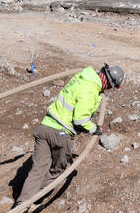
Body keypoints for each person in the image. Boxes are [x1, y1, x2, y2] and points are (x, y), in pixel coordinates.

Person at [17, 63, 125, 203]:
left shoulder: (82, 77)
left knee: (37, 171)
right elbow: (80, 120)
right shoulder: (91, 89)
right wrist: (95, 129)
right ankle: (33, 199)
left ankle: (21, 205)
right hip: (61, 134)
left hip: (45, 127)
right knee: (58, 170)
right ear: (110, 84)